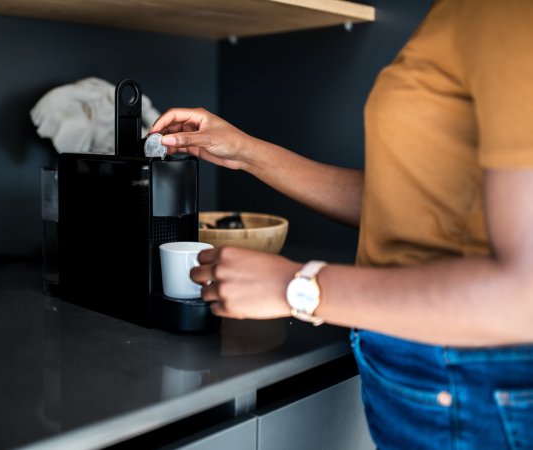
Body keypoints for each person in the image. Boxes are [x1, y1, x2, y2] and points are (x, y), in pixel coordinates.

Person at [148, 1, 533, 448]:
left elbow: (524, 296)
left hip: (471, 379)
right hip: (442, 369)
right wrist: (245, 151)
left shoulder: (508, 12)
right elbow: (410, 202)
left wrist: (297, 286)